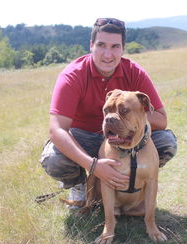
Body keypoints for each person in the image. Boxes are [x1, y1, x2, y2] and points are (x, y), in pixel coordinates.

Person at [40, 18, 177, 207]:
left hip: (126, 138)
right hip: (85, 138)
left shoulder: (134, 73)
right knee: (54, 159)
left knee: (166, 142)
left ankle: (133, 179)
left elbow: (161, 120)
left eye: (115, 46)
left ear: (123, 49)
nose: (107, 54)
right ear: (91, 45)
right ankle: (79, 185)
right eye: (101, 45)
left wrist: (131, 117)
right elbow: (56, 131)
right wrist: (93, 165)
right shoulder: (72, 75)